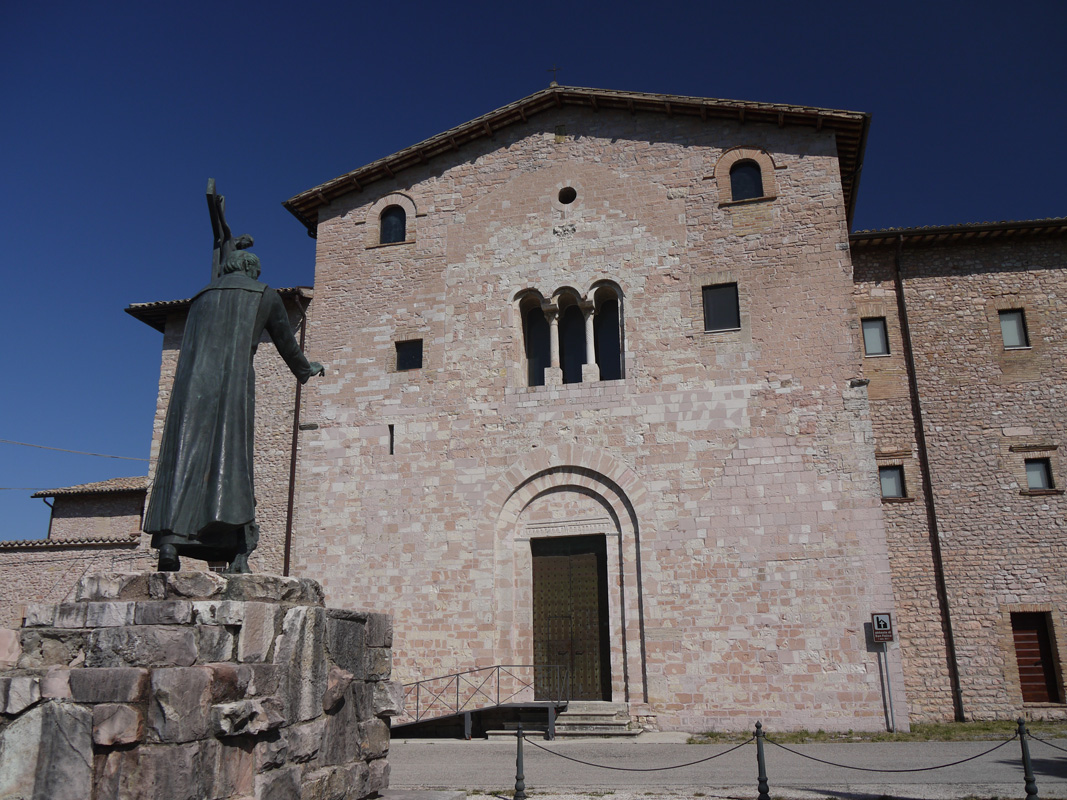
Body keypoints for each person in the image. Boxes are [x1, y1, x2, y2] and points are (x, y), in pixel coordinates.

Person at [143, 248, 325, 572]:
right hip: (233, 382)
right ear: (251, 270)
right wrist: (305, 368)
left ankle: (170, 540)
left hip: (191, 387)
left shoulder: (200, 298)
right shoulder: (263, 294)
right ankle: (232, 542)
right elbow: (285, 340)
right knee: (231, 458)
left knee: (184, 456)